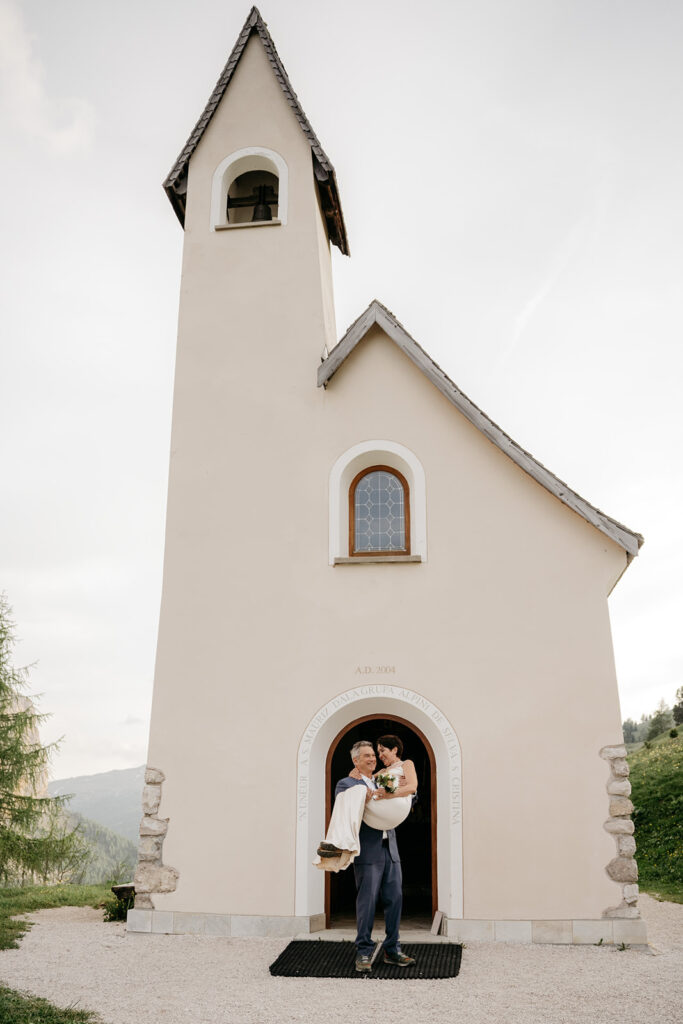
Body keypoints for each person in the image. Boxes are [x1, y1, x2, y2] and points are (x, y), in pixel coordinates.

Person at [335, 739, 416, 973]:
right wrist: (362, 791)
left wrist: (400, 789)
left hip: (390, 847)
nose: (373, 758)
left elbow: (408, 799)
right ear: (355, 761)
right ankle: (363, 951)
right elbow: (345, 809)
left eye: (374, 754)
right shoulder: (347, 783)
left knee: (395, 898)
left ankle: (393, 949)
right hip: (368, 850)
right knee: (367, 901)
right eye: (367, 755)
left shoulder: (384, 779)